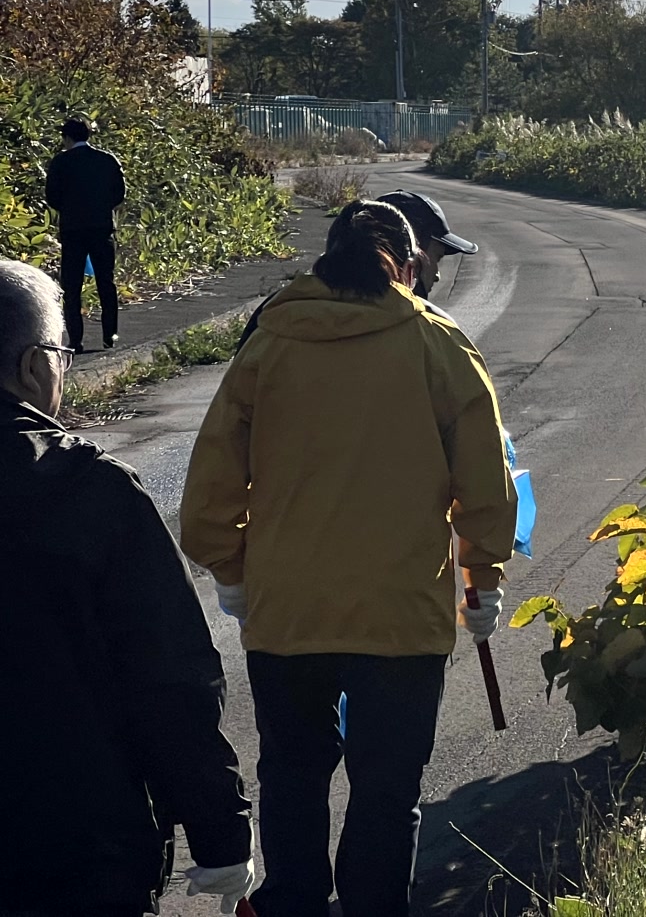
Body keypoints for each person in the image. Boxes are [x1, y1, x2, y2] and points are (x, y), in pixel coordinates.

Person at [181, 200, 516, 917]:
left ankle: (293, 905)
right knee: (387, 795)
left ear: (324, 259)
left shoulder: (269, 340)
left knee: (293, 779)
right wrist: (482, 576)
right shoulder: (436, 343)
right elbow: (485, 477)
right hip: (400, 618)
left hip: (286, 615)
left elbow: (211, 480)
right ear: (410, 263)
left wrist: (232, 575)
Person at [0, 258, 255, 917]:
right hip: (69, 848)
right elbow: (168, 680)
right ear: (33, 366)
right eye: (63, 353)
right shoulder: (86, 493)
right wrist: (220, 834)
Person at [236, 187, 479, 349]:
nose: (437, 274)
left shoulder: (271, 320)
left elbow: (226, 422)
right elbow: (479, 423)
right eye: (436, 257)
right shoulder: (436, 335)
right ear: (410, 258)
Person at [45, 115, 127, 350]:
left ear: (67, 138)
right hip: (102, 227)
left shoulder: (61, 162)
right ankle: (109, 335)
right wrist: (102, 208)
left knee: (72, 285)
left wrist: (70, 209)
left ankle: (76, 339)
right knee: (106, 282)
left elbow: (52, 196)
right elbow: (119, 193)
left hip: (72, 229)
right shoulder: (107, 160)